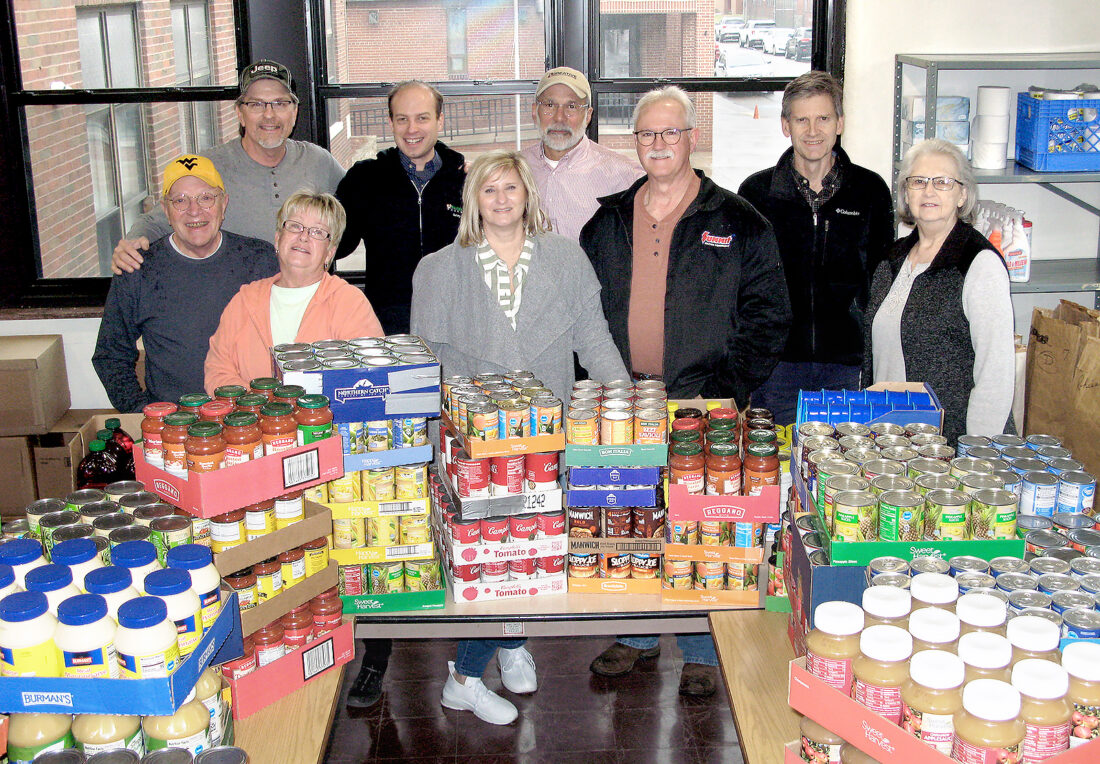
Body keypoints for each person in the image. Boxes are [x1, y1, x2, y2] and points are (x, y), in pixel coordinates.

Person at [581, 86, 791, 697]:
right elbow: (584, 311)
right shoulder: (609, 220)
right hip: (625, 405)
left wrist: (727, 391)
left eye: (670, 133)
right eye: (648, 134)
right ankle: (641, 629)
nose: (659, 144)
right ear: (636, 142)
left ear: (691, 138)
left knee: (700, 525)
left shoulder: (738, 222)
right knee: (639, 518)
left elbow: (767, 315)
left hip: (704, 405)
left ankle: (703, 642)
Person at [412, 150, 628, 725]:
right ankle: (462, 676)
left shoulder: (564, 256)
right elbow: (426, 363)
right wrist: (446, 444)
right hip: (475, 443)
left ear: (528, 195)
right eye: (490, 190)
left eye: (512, 188)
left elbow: (595, 338)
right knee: (487, 549)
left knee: (528, 544)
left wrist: (625, 402)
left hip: (545, 435)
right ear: (472, 203)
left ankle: (511, 644)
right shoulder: (437, 269)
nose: (502, 199)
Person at [739, 71, 895, 425]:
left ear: (839, 123)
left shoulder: (870, 191)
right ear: (785, 125)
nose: (813, 131)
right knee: (774, 468)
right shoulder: (756, 194)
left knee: (841, 467)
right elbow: (742, 288)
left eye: (823, 118)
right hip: (775, 367)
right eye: (801, 119)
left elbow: (883, 280)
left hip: (846, 365)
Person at [112, 60, 345, 271]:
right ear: (240, 114)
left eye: (280, 103)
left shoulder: (318, 161)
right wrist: (132, 244)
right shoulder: (209, 169)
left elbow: (362, 203)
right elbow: (155, 222)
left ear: (294, 112)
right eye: (256, 105)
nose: (269, 115)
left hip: (307, 304)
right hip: (236, 306)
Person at [92, 155, 277, 412]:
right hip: (174, 427)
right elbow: (110, 354)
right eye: (180, 200)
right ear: (166, 211)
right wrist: (141, 412)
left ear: (223, 204)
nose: (194, 211)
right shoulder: (138, 270)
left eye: (206, 198)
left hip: (250, 418)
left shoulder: (260, 259)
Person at [863, 138, 1014, 444]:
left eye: (943, 182)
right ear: (906, 193)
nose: (929, 191)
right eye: (918, 181)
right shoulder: (893, 259)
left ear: (962, 194)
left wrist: (979, 452)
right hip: (894, 439)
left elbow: (995, 374)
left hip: (951, 448)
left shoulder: (977, 263)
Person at [204, 191, 383, 391]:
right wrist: (266, 407)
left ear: (329, 253)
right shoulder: (244, 301)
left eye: (317, 232)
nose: (303, 237)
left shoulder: (349, 303)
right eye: (295, 226)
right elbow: (217, 373)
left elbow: (368, 381)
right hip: (253, 420)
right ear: (278, 239)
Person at [335, 80, 466, 333]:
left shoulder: (467, 181)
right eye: (402, 119)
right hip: (388, 324)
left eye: (422, 118)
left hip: (456, 322)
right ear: (391, 122)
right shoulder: (364, 179)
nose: (412, 129)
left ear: (440, 121)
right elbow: (335, 245)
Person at [521, 67, 642, 241]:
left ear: (588, 115)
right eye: (549, 105)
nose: (559, 117)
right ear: (535, 112)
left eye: (572, 106)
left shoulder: (625, 176)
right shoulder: (512, 170)